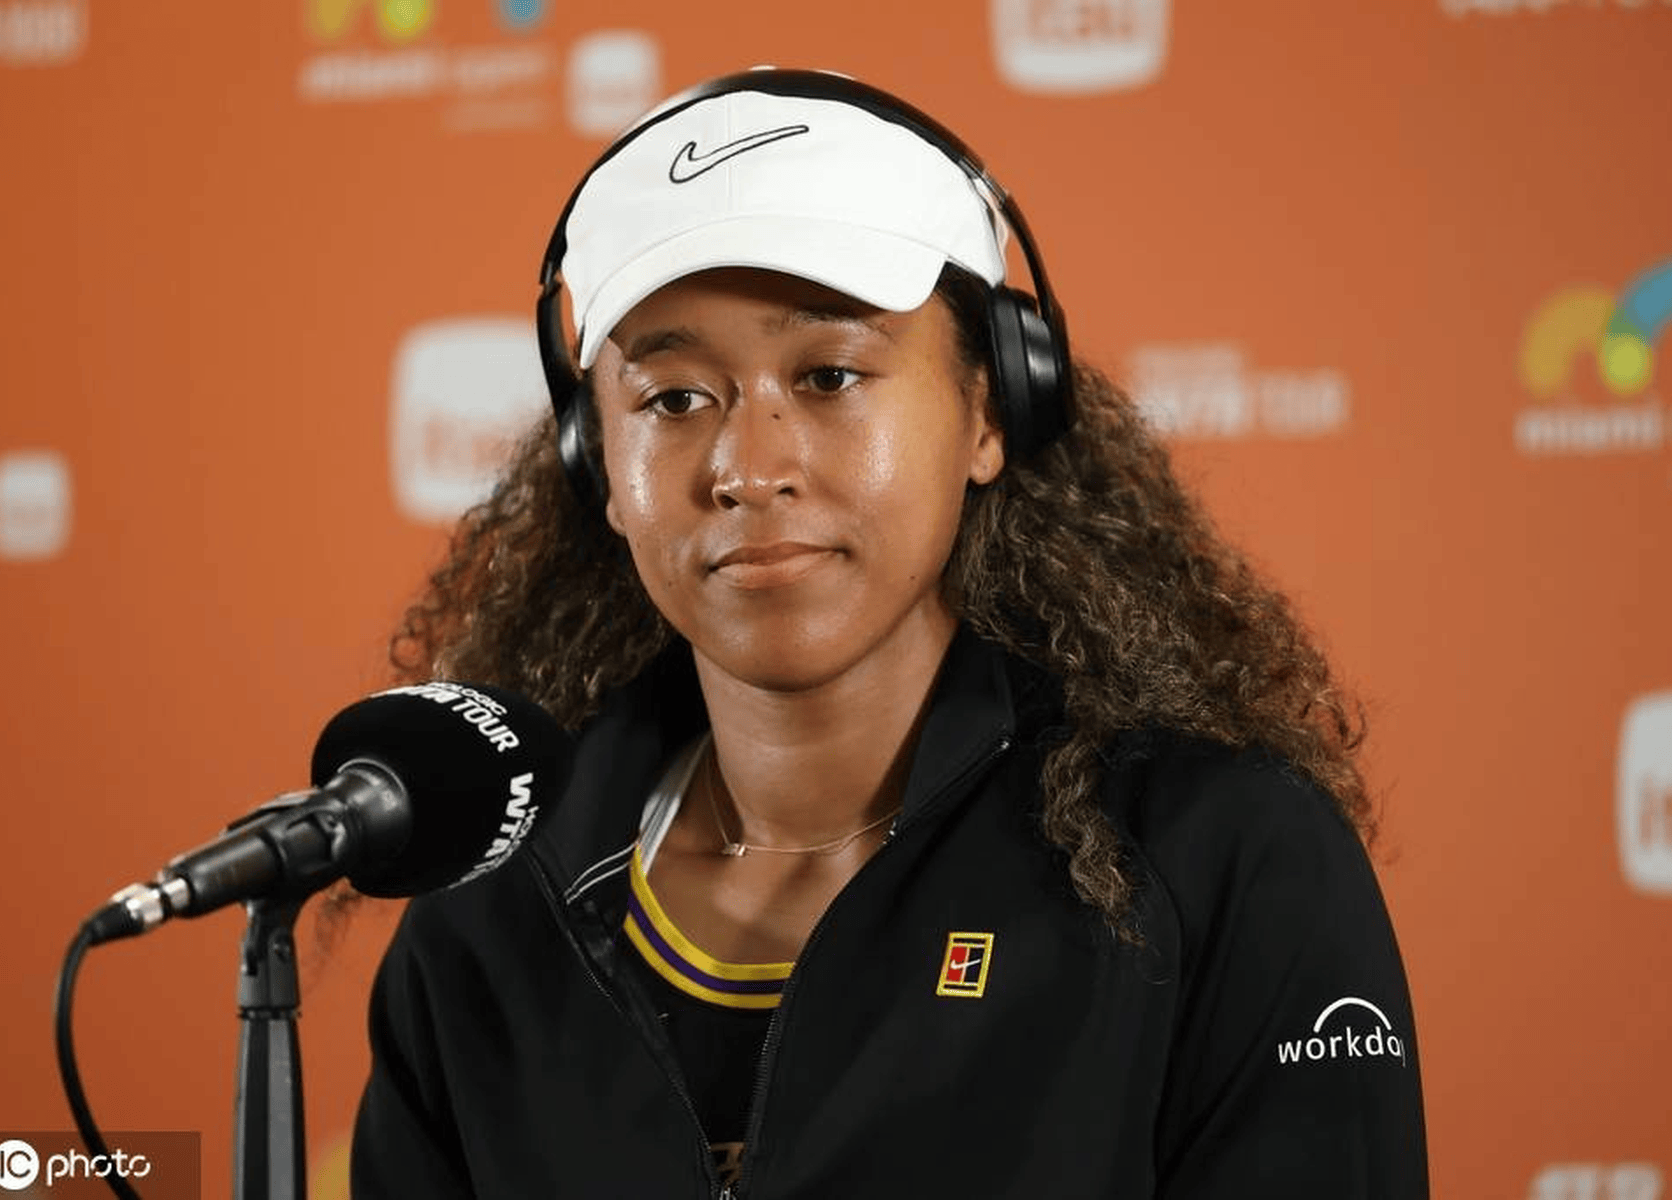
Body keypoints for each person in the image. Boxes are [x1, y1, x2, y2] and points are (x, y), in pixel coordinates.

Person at [349, 68, 1428, 1198]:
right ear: (596, 464)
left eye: (829, 375)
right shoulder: (494, 906)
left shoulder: (1214, 852)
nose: (748, 469)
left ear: (991, 409)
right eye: (672, 399)